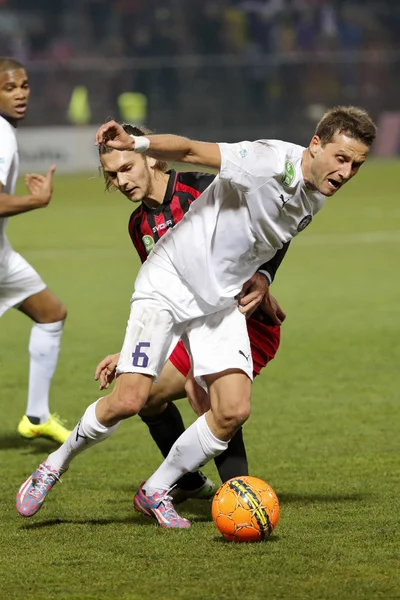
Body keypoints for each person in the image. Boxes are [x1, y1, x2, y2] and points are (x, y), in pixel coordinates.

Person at [16, 106, 377, 529]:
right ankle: (53, 466)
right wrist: (138, 143)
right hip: (169, 282)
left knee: (232, 410)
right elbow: (189, 149)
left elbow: (272, 239)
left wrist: (262, 276)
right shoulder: (264, 162)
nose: (347, 171)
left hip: (218, 301)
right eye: (341, 158)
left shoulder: (315, 194)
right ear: (315, 145)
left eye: (356, 165)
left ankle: (157, 489)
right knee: (131, 399)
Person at [93, 123, 287, 502]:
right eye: (112, 175)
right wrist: (133, 353)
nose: (121, 181)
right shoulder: (140, 225)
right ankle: (187, 482)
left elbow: (279, 222)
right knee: (147, 397)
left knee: (212, 394)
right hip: (195, 323)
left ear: (151, 157)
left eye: (127, 168)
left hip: (244, 318)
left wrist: (264, 275)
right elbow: (164, 298)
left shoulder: (203, 188)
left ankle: (238, 494)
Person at [0, 57, 70, 444]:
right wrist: (36, 200)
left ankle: (37, 415)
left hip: (2, 256)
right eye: (9, 88)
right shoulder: (0, 133)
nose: (21, 93)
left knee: (50, 313)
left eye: (24, 85)